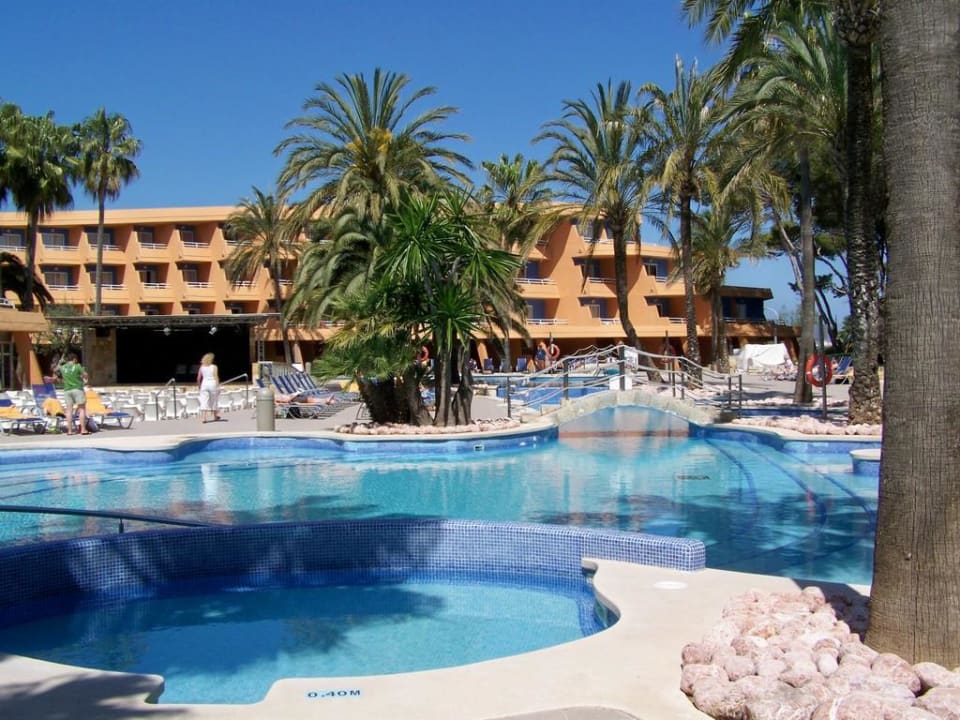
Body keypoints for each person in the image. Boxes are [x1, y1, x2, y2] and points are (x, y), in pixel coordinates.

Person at [45, 352, 89, 435]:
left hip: (67, 390)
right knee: (82, 409)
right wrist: (85, 380)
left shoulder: (63, 368)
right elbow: (85, 375)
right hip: (77, 389)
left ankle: (69, 431)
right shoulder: (77, 366)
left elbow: (56, 375)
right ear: (74, 359)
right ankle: (83, 430)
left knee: (69, 410)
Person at [197, 352, 221, 423]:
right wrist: (218, 386)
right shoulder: (214, 367)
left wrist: (199, 386)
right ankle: (215, 416)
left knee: (204, 401)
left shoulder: (202, 367)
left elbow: (198, 378)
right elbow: (216, 377)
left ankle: (204, 418)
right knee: (214, 400)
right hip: (212, 384)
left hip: (204, 384)